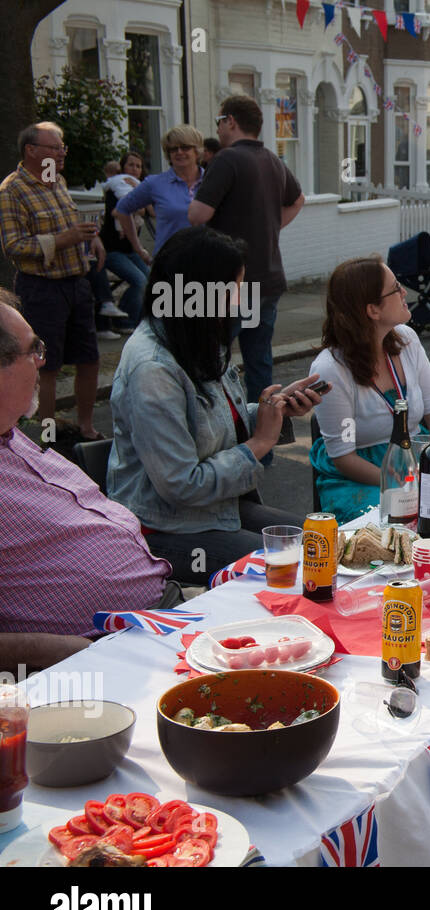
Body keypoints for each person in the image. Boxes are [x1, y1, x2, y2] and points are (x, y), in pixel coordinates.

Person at [106, 227, 321, 586]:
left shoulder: (194, 337)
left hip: (212, 510)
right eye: (234, 288)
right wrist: (260, 443)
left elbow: (219, 423)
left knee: (321, 543)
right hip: (163, 527)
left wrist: (275, 410)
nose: (240, 300)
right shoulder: (153, 367)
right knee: (294, 569)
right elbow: (181, 486)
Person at [0, 288, 176, 672]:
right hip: (105, 651)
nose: (42, 365)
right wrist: (64, 651)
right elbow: (181, 482)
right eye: (35, 351)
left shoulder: (12, 434)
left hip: (160, 611)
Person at [309, 257, 430, 522]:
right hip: (362, 477)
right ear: (373, 310)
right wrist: (402, 483)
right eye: (396, 288)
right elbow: (343, 457)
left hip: (417, 464)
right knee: (399, 520)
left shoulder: (407, 339)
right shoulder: (332, 369)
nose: (404, 293)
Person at [188, 96, 305, 402]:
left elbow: (197, 215)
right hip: (268, 279)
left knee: (210, 362)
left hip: (231, 283)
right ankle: (261, 444)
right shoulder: (272, 159)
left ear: (230, 121)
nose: (219, 128)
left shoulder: (226, 159)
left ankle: (217, 433)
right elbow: (297, 200)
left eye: (219, 121)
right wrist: (269, 225)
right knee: (259, 365)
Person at [0, 122, 107, 441]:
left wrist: (92, 238)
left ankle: (86, 429)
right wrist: (63, 239)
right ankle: (48, 437)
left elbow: (73, 222)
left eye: (63, 148)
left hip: (77, 283)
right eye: (55, 148)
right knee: (45, 365)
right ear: (31, 151)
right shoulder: (12, 190)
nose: (62, 153)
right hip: (42, 288)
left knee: (90, 358)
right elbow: (13, 246)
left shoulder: (57, 182)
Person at [117, 124, 205, 257]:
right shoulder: (156, 183)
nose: (179, 152)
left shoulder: (212, 181)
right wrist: (138, 248)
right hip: (169, 263)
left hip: (208, 264)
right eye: (173, 149)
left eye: (185, 147)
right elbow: (123, 209)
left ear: (197, 151)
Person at [96, 149, 150, 331]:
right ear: (122, 167)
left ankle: (132, 317)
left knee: (151, 278)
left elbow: (148, 210)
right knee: (139, 280)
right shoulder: (115, 188)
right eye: (130, 165)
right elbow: (118, 211)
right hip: (111, 249)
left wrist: (137, 194)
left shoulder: (140, 187)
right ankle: (124, 321)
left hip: (131, 249)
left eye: (138, 166)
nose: (135, 169)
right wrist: (137, 206)